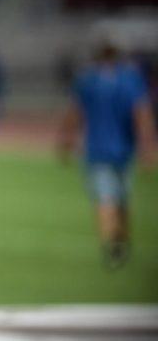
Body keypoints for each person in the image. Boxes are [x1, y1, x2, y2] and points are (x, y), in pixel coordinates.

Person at [58, 42, 156, 268]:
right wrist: (147, 147)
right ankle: (121, 239)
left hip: (97, 150)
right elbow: (141, 114)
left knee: (104, 198)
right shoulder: (130, 79)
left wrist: (66, 140)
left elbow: (75, 113)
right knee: (123, 198)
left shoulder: (88, 80)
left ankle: (111, 244)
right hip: (125, 150)